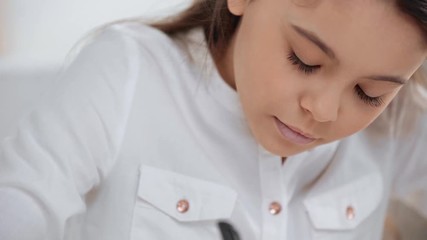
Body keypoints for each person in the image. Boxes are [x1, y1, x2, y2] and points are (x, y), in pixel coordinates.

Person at [0, 0, 426, 239]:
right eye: (304, 60)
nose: (324, 110)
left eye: (370, 94)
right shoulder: (129, 74)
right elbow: (19, 207)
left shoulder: (399, 124)